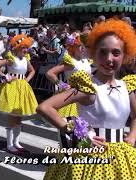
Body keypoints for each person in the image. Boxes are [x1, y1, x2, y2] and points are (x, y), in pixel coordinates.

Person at [37, 19, 136, 179]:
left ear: (125, 55)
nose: (109, 59)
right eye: (103, 52)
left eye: (116, 53)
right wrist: (79, 134)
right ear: (93, 54)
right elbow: (45, 107)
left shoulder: (127, 86)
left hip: (121, 159)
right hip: (90, 158)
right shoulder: (89, 88)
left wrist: (132, 135)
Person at [0, 34, 38, 154]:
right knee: (12, 117)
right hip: (12, 88)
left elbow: (32, 71)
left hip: (22, 88)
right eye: (23, 48)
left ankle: (16, 142)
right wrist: (4, 76)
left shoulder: (26, 59)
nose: (25, 50)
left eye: (26, 48)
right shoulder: (12, 59)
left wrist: (26, 80)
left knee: (19, 118)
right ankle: (9, 144)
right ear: (17, 48)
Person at [45, 32, 93, 118]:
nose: (82, 48)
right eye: (79, 46)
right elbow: (50, 73)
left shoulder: (86, 61)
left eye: (84, 46)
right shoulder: (71, 61)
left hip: (86, 95)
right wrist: (62, 85)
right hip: (72, 95)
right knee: (69, 125)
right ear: (73, 47)